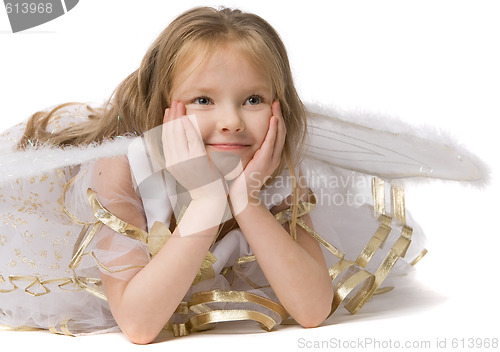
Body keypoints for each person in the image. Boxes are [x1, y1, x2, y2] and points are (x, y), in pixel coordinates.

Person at [1, 6, 483, 345]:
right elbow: (140, 325)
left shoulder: (273, 168)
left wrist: (246, 200)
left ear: (279, 106)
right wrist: (209, 205)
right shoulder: (122, 169)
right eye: (203, 100)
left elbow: (313, 310)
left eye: (252, 99)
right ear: (165, 104)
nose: (231, 121)